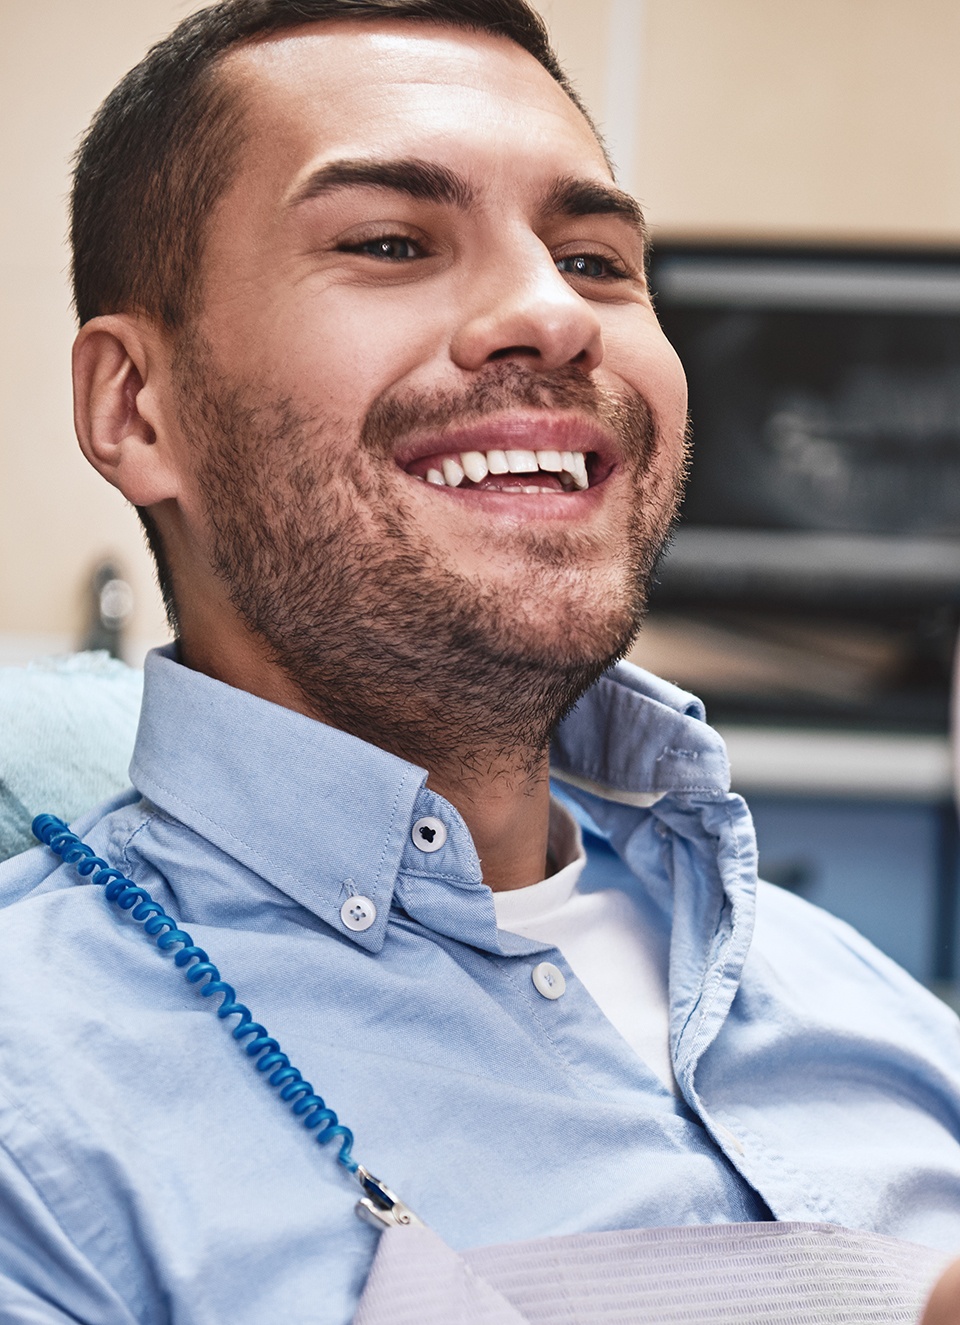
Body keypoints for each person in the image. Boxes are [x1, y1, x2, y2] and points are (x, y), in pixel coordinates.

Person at [2, 1, 960, 1320]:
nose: (552, 313)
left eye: (598, 261)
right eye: (392, 242)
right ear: (135, 406)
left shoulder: (864, 1003)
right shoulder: (34, 1110)